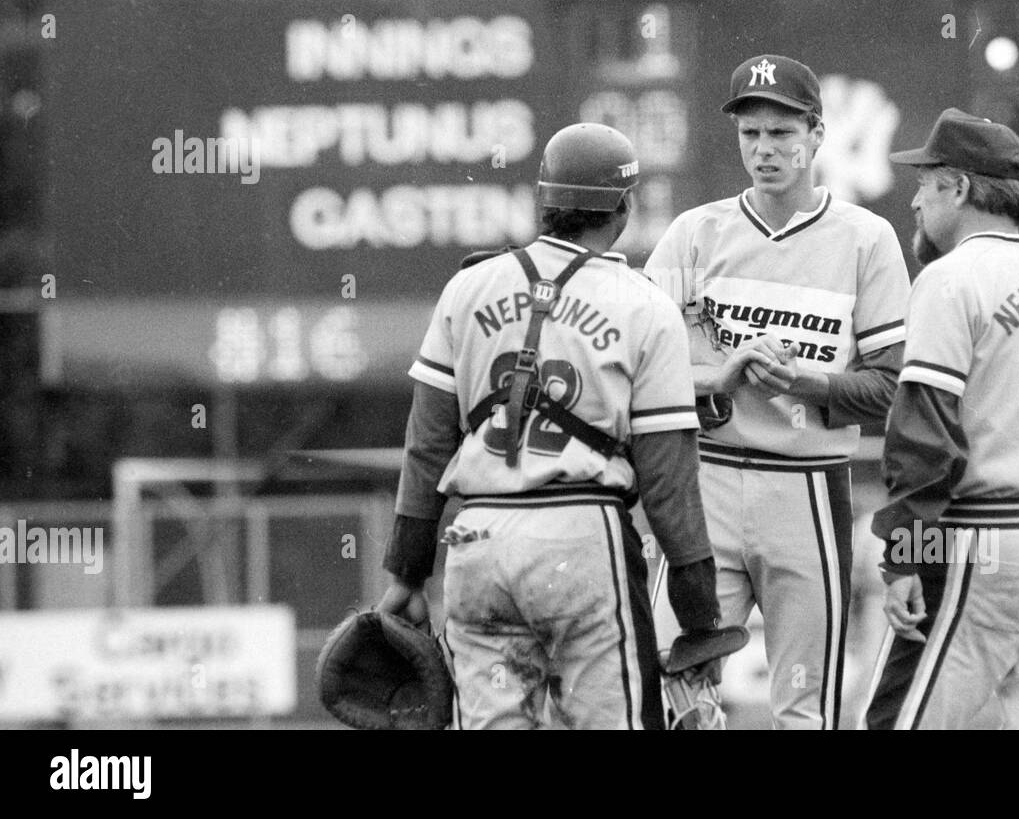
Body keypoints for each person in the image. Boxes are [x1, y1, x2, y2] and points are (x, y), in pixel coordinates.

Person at [377, 122, 722, 730]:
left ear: (544, 203)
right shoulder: (645, 306)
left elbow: (427, 444)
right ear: (622, 207)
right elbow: (670, 483)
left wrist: (406, 572)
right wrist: (699, 615)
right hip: (580, 539)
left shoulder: (467, 288)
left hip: (476, 541)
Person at [644, 54, 911, 729]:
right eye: (750, 133)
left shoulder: (864, 239)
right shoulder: (693, 234)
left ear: (817, 134)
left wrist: (807, 382)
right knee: (666, 689)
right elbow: (632, 368)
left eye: (781, 133)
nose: (764, 149)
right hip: (704, 482)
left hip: (808, 484)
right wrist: (721, 375)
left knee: (806, 708)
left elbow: (889, 386)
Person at [862, 108, 1019, 730]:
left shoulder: (951, 281)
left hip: (990, 542)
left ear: (958, 188)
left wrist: (903, 554)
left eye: (925, 184)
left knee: (897, 721)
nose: (917, 203)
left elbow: (926, 436)